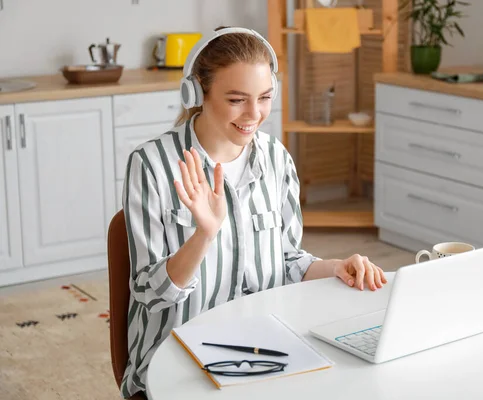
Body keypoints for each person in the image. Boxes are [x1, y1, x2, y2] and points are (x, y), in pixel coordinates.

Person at [120, 26, 387, 399]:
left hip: (265, 347)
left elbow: (288, 259)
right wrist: (203, 235)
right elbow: (150, 294)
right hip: (175, 354)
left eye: (264, 97)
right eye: (236, 99)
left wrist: (334, 266)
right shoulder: (152, 165)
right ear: (196, 92)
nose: (254, 114)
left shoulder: (277, 158)